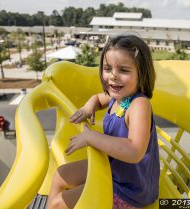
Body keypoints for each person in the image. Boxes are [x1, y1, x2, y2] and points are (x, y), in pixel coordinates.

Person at [47, 34, 160, 209]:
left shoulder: (139, 105)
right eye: (108, 69)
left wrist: (91, 138)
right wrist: (89, 107)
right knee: (61, 174)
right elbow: (99, 99)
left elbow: (134, 151)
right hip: (114, 170)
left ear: (142, 73)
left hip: (130, 191)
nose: (113, 76)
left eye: (123, 70)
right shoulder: (119, 97)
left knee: (57, 204)